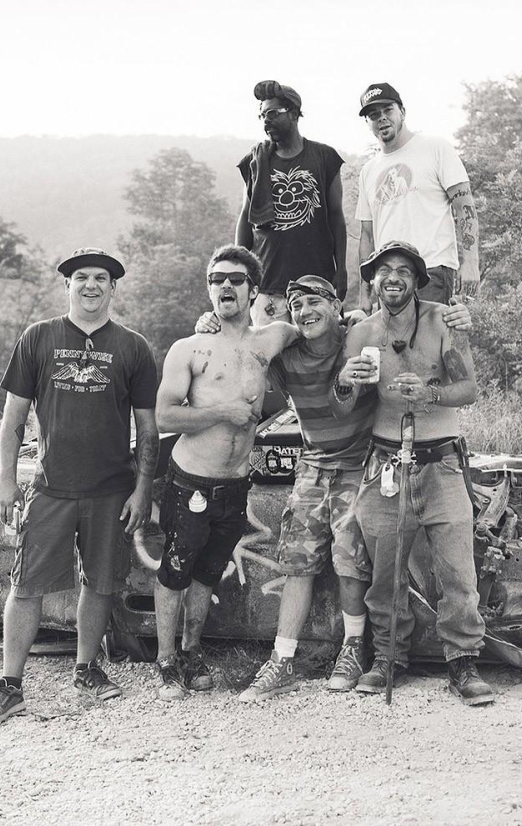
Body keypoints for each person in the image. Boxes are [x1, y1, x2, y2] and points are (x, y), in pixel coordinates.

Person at [196, 278, 472, 703]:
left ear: (333, 305)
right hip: (312, 463)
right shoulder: (286, 354)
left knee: (351, 557)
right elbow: (247, 347)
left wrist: (454, 316)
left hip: (360, 461)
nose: (305, 311)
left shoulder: (357, 338)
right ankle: (282, 658)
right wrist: (213, 324)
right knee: (296, 559)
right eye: (296, 304)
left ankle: (352, 649)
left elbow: (398, 335)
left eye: (314, 302)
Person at [0, 247, 159, 726]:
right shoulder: (39, 337)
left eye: (101, 278)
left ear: (113, 288)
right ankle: (10, 685)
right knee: (27, 583)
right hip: (51, 487)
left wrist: (142, 490)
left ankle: (86, 670)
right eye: (82, 277)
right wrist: (6, 479)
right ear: (67, 285)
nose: (91, 285)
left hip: (111, 490)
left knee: (99, 584)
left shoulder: (133, 347)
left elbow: (149, 429)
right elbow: (13, 419)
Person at [335, 240, 493, 705]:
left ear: (417, 280)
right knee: (385, 572)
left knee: (457, 570)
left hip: (440, 461)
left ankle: (462, 660)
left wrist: (430, 394)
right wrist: (348, 382)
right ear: (372, 280)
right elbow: (342, 404)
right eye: (383, 270)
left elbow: (469, 388)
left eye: (404, 270)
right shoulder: (361, 333)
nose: (393, 278)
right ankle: (387, 657)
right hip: (384, 461)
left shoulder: (443, 320)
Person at [153, 244, 298, 701]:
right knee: (176, 570)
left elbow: (310, 326)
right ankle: (165, 662)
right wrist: (223, 414)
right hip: (190, 480)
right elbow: (165, 418)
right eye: (217, 280)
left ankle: (192, 652)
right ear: (209, 290)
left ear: (253, 289)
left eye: (235, 279)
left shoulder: (268, 340)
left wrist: (354, 320)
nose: (225, 287)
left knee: (208, 572)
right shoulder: (191, 347)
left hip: (234, 484)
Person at [355, 82, 481, 312]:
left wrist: (471, 262)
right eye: (374, 115)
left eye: (387, 111)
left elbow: (465, 207)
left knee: (429, 345)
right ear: (368, 123)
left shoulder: (435, 148)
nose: (381, 118)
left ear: (402, 111)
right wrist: (365, 291)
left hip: (430, 270)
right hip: (388, 278)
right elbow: (366, 234)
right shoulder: (368, 171)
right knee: (391, 347)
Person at [236, 80, 348, 326]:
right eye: (262, 115)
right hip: (268, 287)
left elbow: (337, 217)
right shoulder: (255, 161)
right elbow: (245, 219)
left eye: (273, 113)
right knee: (270, 361)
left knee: (321, 358)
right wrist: (240, 273)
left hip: (316, 285)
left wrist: (341, 270)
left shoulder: (324, 157)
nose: (266, 120)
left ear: (295, 114)